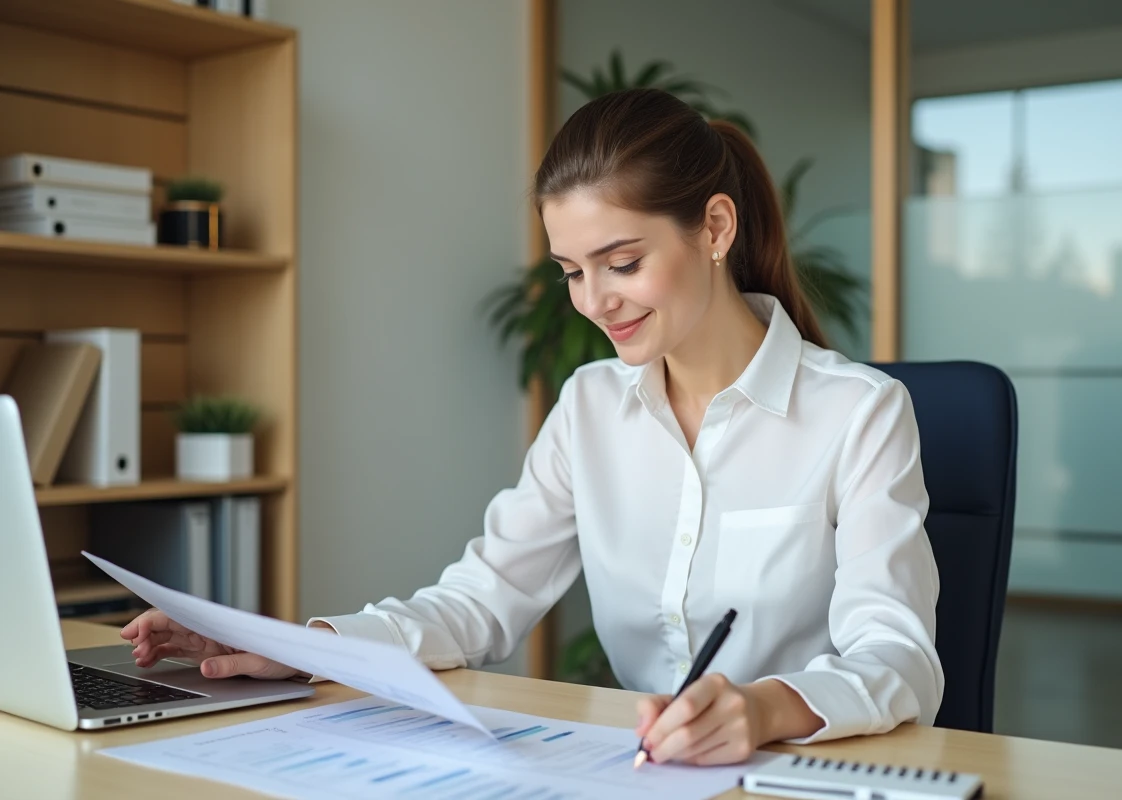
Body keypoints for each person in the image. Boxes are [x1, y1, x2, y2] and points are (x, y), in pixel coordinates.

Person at [122, 87, 943, 767]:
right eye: (572, 272)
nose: (594, 302)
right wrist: (300, 648)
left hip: (805, 774)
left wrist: (760, 710)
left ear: (717, 229)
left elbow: (900, 659)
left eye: (622, 263)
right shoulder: (590, 407)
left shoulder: (858, 412)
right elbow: (480, 602)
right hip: (647, 774)